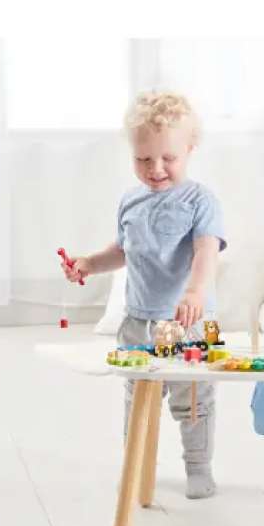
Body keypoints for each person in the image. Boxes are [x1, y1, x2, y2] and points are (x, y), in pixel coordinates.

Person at [62, 91, 226, 498]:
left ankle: (198, 467)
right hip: (138, 323)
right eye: (143, 159)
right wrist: (88, 263)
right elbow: (122, 251)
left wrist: (195, 291)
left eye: (168, 158)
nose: (155, 169)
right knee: (138, 401)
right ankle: (138, 466)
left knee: (193, 400)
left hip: (188, 324)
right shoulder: (130, 201)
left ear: (190, 148)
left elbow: (206, 251)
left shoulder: (200, 201)